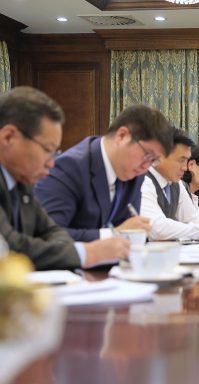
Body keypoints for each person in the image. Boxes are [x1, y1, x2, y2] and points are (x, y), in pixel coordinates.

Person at [0, 86, 129, 270]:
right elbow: (9, 248)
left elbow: (52, 231)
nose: (51, 163)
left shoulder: (22, 181)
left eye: (55, 152)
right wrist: (88, 253)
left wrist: (67, 252)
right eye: (47, 150)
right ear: (8, 137)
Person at [35, 104, 173, 242]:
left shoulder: (135, 174)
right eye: (147, 154)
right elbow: (47, 236)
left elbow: (129, 228)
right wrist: (114, 234)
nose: (146, 166)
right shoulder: (70, 167)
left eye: (153, 160)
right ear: (122, 136)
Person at [140, 131, 199, 241]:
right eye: (181, 160)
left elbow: (192, 218)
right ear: (160, 155)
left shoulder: (176, 184)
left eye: (186, 160)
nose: (185, 167)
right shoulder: (143, 180)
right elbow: (157, 228)